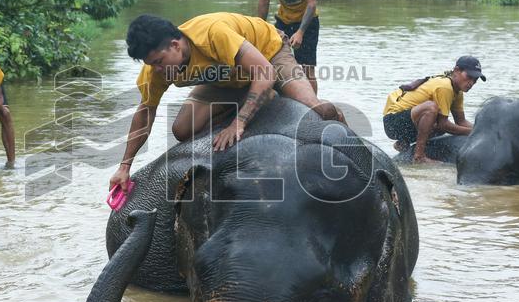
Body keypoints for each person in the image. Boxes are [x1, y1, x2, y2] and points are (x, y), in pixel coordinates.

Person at [108, 12, 344, 191]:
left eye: (159, 61)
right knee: (182, 129)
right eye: (151, 65)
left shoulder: (212, 34)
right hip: (224, 80)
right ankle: (261, 97)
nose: (157, 69)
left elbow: (265, 72)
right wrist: (124, 166)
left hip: (267, 55)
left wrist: (239, 122)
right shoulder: (156, 70)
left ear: (175, 45)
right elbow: (145, 114)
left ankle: (340, 124)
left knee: (312, 108)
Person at [382, 56, 486, 163]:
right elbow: (443, 124)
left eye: (475, 80)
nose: (471, 83)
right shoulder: (445, 87)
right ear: (456, 71)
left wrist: (483, 131)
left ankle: (403, 143)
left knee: (439, 121)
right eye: (469, 76)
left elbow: (461, 121)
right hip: (392, 122)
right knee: (431, 109)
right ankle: (419, 156)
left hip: (407, 122)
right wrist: (473, 132)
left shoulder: (458, 92)